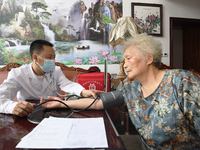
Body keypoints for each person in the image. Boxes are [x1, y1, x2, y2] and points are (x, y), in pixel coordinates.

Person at [40, 33, 200, 149]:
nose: (124, 65)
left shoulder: (182, 82)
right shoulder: (131, 88)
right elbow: (98, 102)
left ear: (149, 58)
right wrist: (60, 102)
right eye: (123, 60)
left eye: (129, 58)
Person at [0, 39, 101, 117]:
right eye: (49, 57)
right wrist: (12, 107)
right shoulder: (18, 74)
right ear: (35, 58)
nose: (53, 60)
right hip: (28, 113)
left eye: (54, 57)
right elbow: (1, 97)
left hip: (54, 111)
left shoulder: (56, 70)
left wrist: (83, 91)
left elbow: (67, 84)